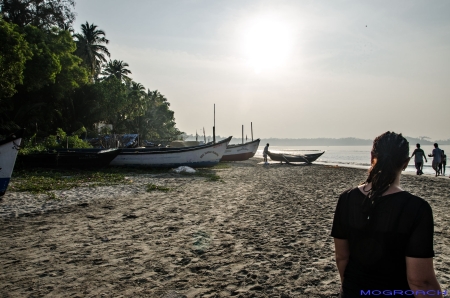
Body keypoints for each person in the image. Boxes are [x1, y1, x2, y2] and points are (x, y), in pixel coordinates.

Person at [331, 131, 442, 297]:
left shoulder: (346, 199)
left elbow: (342, 257)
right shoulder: (417, 208)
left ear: (372, 157)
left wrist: (348, 289)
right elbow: (420, 282)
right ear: (405, 163)